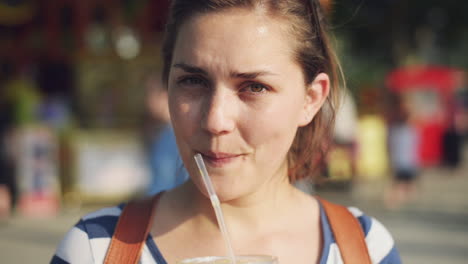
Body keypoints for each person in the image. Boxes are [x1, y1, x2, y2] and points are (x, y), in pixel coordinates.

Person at [52, 1, 401, 263]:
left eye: (255, 87)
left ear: (311, 99)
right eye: (193, 81)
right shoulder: (95, 249)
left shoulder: (364, 247)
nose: (215, 120)